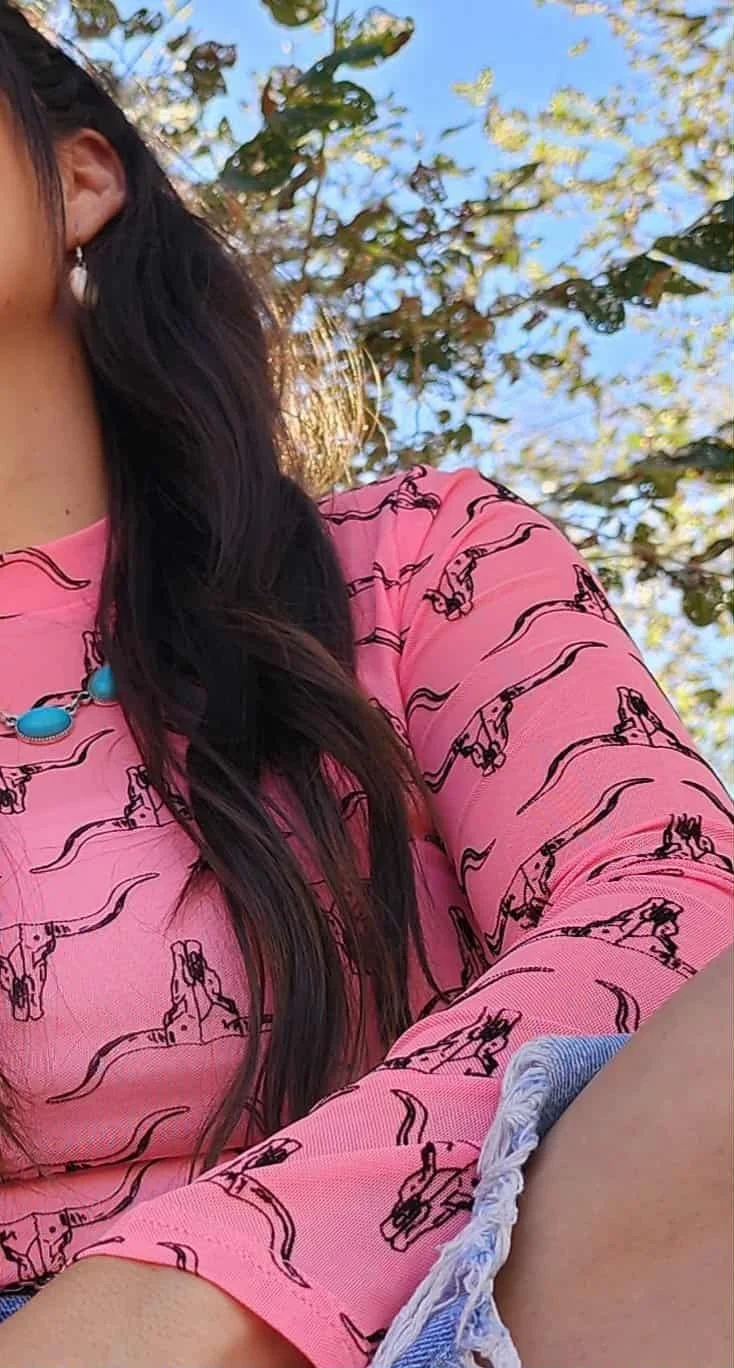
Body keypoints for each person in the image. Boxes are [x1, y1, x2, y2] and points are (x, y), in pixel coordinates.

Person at [0, 5, 730, 1366]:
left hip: (447, 1317)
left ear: (79, 177)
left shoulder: (416, 563)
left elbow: (670, 911)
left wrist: (203, 1290)